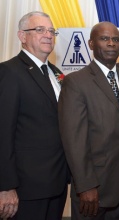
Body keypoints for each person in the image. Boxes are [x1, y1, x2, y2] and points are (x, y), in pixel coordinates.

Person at [58, 22, 119, 219]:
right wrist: (85, 185)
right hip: (93, 189)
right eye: (105, 38)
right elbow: (74, 139)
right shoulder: (76, 82)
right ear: (91, 44)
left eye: (116, 40)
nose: (111, 43)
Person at [0, 11, 69, 219]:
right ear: (22, 36)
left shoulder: (56, 73)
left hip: (56, 184)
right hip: (25, 189)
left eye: (51, 31)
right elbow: (3, 132)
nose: (48, 35)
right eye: (39, 30)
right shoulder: (9, 72)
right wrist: (6, 186)